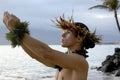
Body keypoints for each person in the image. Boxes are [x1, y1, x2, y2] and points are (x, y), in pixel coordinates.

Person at [3, 11, 101, 80]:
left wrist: (17, 29)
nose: (62, 35)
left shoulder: (80, 61)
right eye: (63, 32)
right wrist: (14, 31)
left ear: (79, 38)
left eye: (68, 33)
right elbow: (35, 55)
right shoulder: (62, 63)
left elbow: (46, 52)